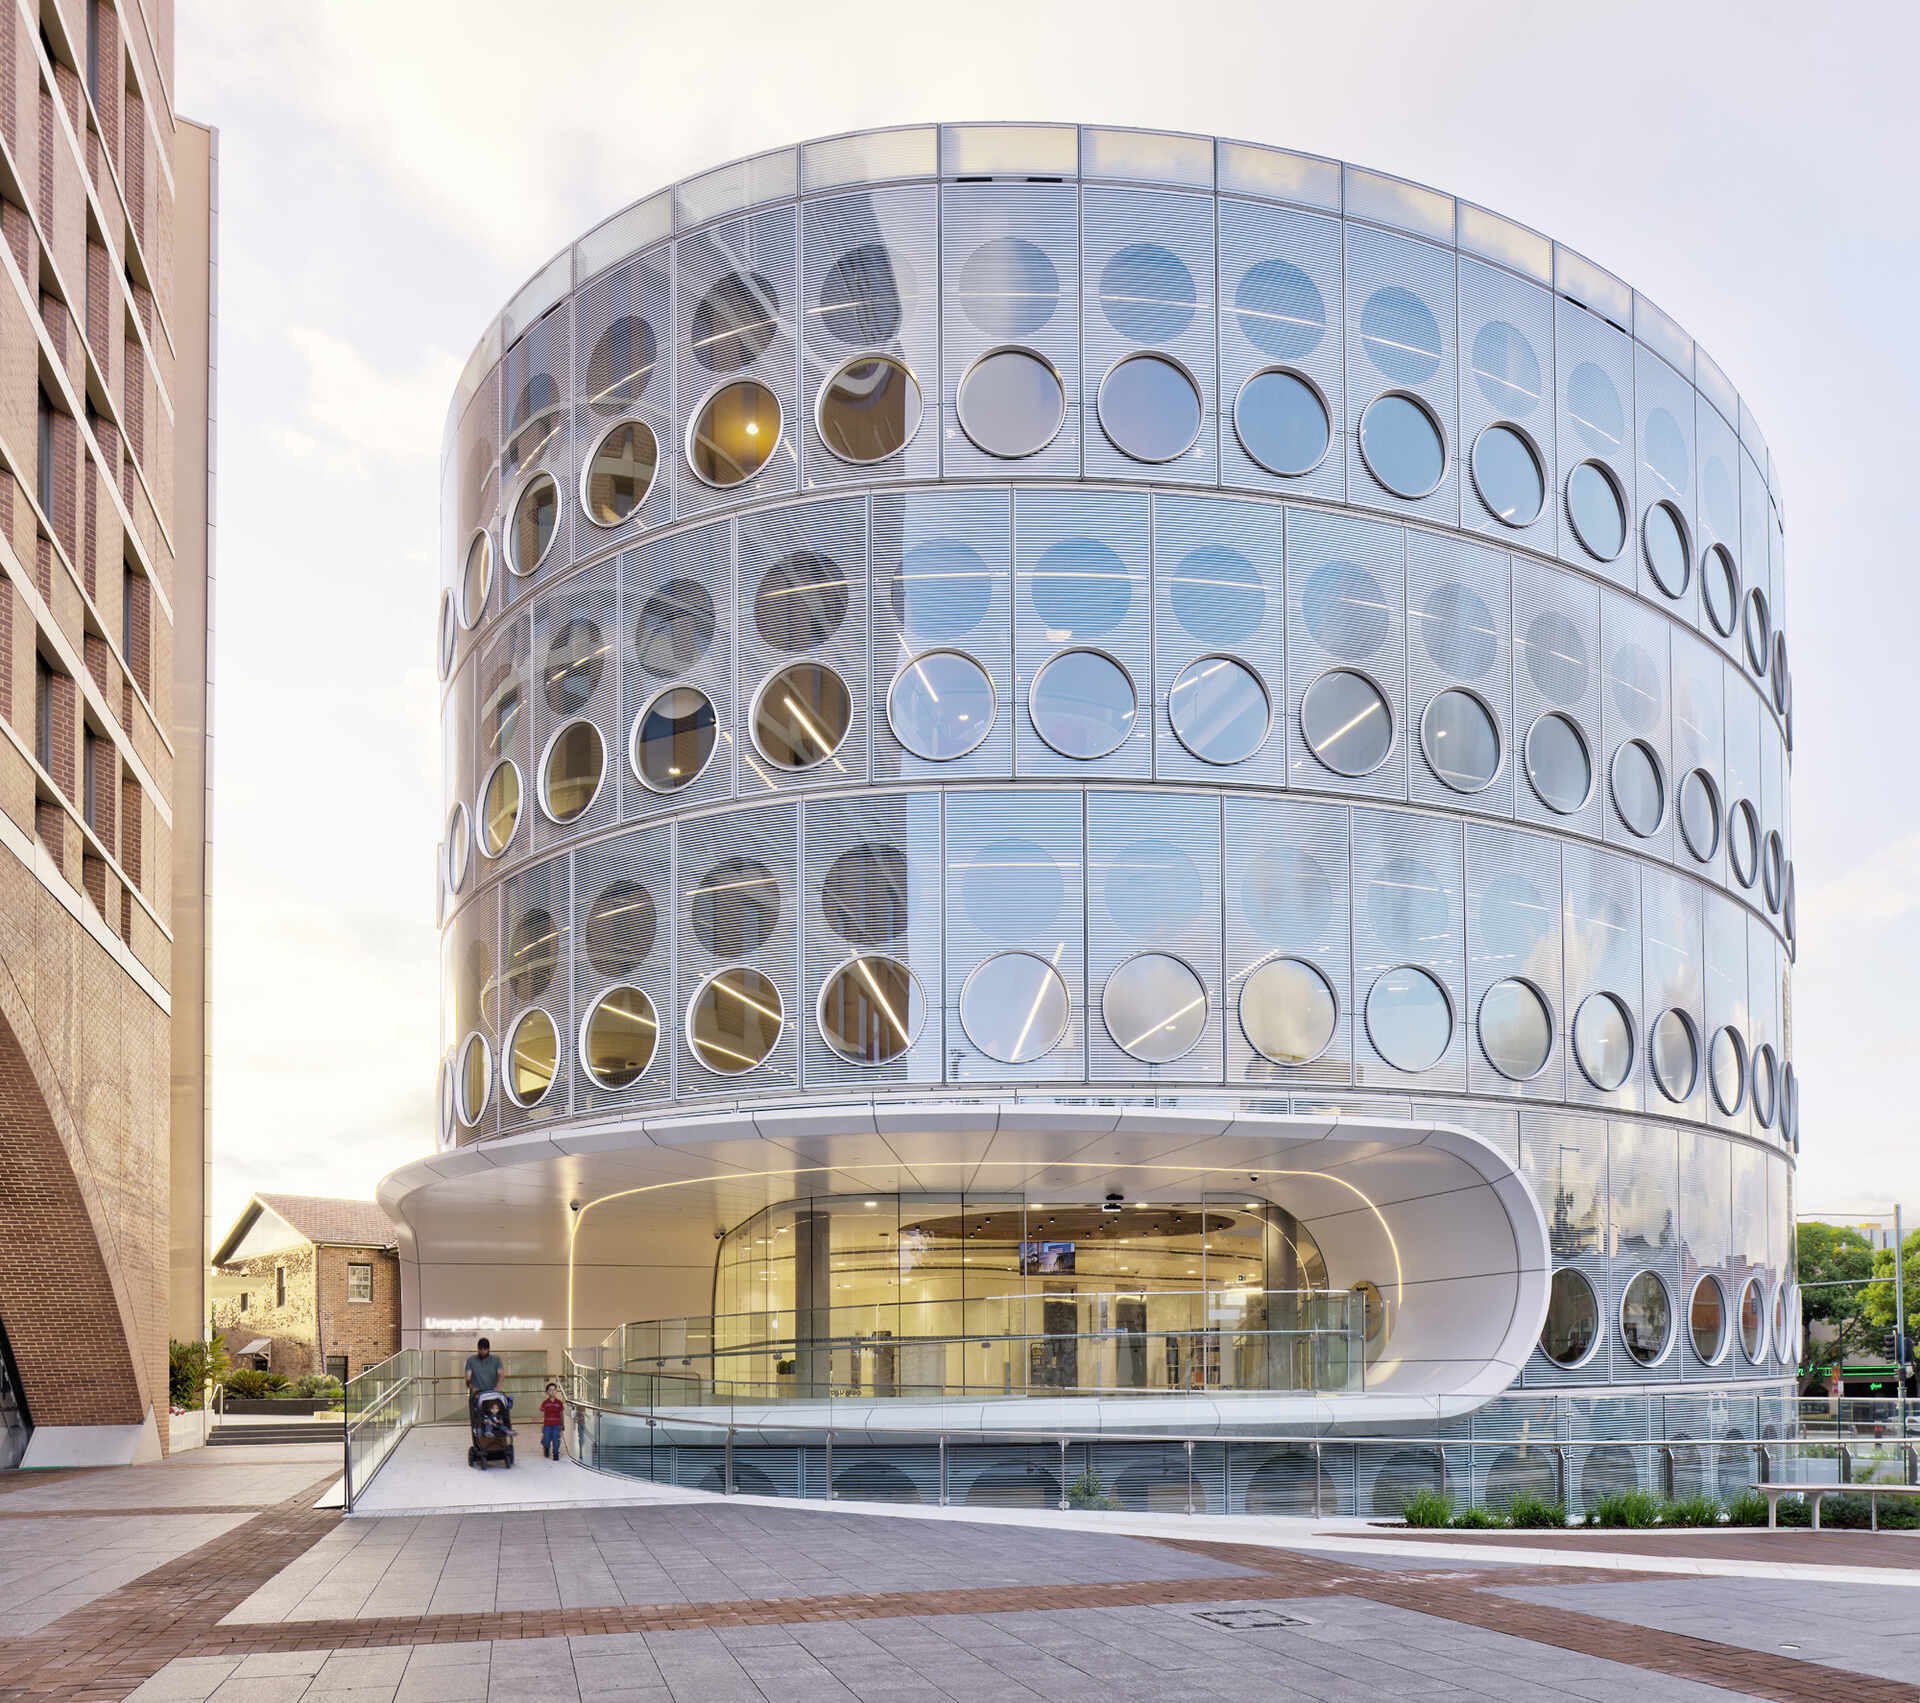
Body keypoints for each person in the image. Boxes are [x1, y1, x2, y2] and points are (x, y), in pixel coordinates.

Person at [464, 1336, 504, 1424]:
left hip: (492, 1393)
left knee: (498, 1413)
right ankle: (477, 1435)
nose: (482, 1352)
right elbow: (468, 1378)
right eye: (480, 1349)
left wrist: (498, 1387)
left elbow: (501, 1375)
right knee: (477, 1419)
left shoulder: (496, 1360)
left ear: (489, 1349)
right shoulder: (471, 1360)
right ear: (477, 1349)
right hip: (477, 1394)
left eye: (484, 1349)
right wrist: (472, 1387)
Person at [540, 1382, 565, 1460]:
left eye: (554, 1390)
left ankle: (555, 1453)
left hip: (557, 1425)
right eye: (550, 1390)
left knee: (556, 1439)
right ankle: (546, 1447)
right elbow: (542, 1414)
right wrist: (542, 1425)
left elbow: (561, 1414)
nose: (552, 1391)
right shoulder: (545, 1403)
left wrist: (562, 1424)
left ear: (556, 1391)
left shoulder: (559, 1403)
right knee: (546, 1439)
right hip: (547, 1425)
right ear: (547, 1392)